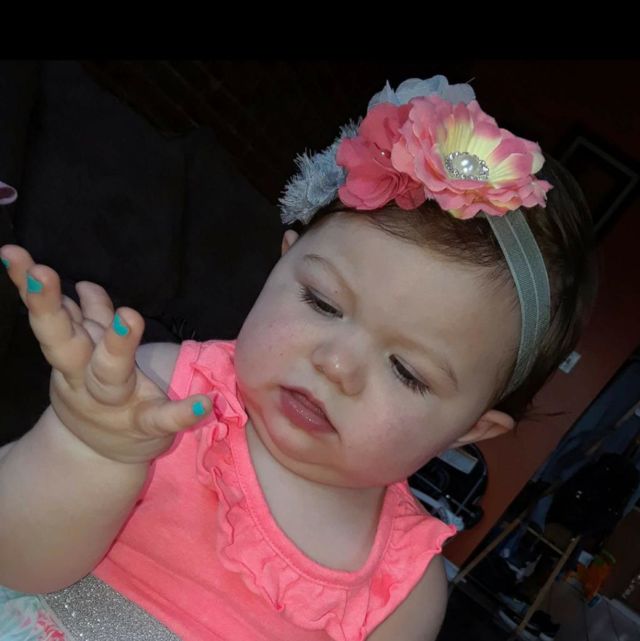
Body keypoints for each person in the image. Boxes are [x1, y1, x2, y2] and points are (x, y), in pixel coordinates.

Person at [0, 75, 597, 640]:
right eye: (322, 302)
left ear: (470, 429)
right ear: (281, 261)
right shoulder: (159, 393)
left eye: (406, 372)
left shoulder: (400, 595)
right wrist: (90, 448)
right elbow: (15, 560)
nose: (336, 365)